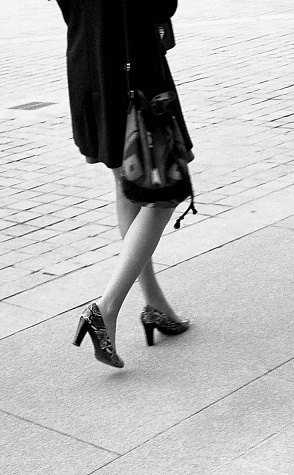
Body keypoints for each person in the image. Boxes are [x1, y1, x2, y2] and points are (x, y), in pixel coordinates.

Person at [55, 0, 192, 368]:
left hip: (88, 68)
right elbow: (161, 4)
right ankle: (106, 307)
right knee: (164, 195)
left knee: (126, 185)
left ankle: (155, 304)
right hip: (134, 74)